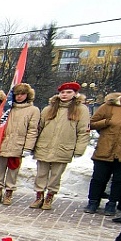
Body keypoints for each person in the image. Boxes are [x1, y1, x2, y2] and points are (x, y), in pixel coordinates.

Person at [30, 82, 90, 210]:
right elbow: (39, 128)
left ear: (75, 94)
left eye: (68, 92)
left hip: (64, 147)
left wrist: (79, 149)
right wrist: (32, 145)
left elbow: (83, 130)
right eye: (62, 92)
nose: (65, 95)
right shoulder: (49, 108)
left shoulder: (81, 110)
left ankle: (49, 197)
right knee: (41, 174)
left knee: (56, 175)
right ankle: (39, 196)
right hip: (44, 146)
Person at [86, 78, 121, 218]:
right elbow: (91, 123)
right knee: (99, 178)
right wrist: (107, 122)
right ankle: (93, 202)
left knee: (120, 180)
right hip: (106, 148)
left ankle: (112, 203)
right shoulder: (109, 106)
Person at [0, 83, 39, 206]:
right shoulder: (6, 108)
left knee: (13, 171)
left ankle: (9, 194)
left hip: (18, 145)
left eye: (22, 94)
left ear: (27, 95)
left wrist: (27, 147)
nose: (19, 97)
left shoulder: (33, 110)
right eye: (17, 94)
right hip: (3, 144)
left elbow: (32, 130)